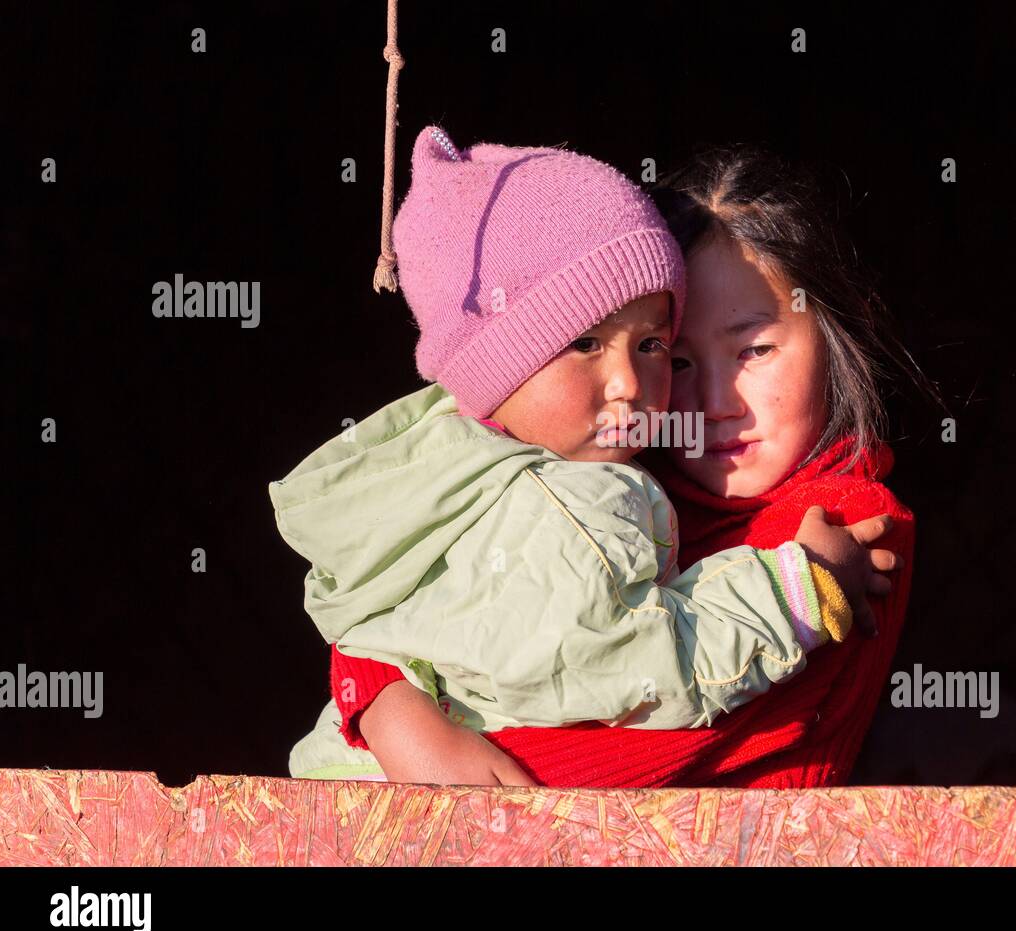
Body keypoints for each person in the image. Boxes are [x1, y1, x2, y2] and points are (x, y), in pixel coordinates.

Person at [276, 128, 893, 783]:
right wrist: (387, 707)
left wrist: (384, 703)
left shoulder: (848, 527)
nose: (714, 401)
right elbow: (377, 623)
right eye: (681, 359)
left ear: (835, 337)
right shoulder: (587, 489)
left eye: (754, 350)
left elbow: (622, 763)